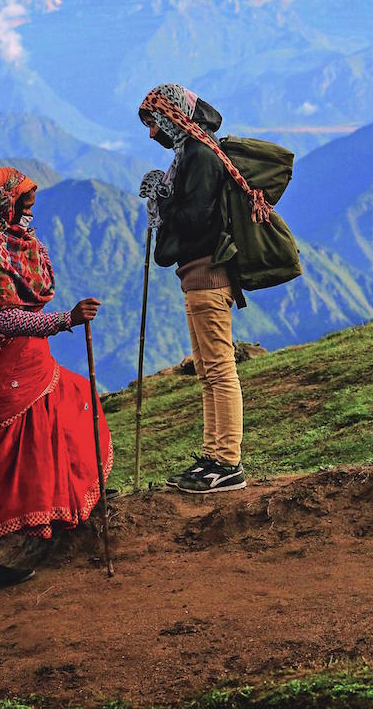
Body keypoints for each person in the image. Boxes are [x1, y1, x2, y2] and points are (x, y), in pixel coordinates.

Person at [0, 167, 110, 593]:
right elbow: (6, 318)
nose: (30, 213)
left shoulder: (13, 241)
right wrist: (65, 319)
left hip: (28, 361)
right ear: (4, 205)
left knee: (71, 405)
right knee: (2, 456)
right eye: (25, 205)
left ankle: (66, 502)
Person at [138, 83, 247, 494]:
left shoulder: (199, 155)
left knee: (219, 370)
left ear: (173, 116)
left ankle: (227, 461)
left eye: (155, 122)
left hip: (207, 276)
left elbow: (196, 219)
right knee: (207, 371)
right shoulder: (192, 153)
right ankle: (213, 455)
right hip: (197, 277)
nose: (153, 133)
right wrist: (166, 195)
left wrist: (164, 199)